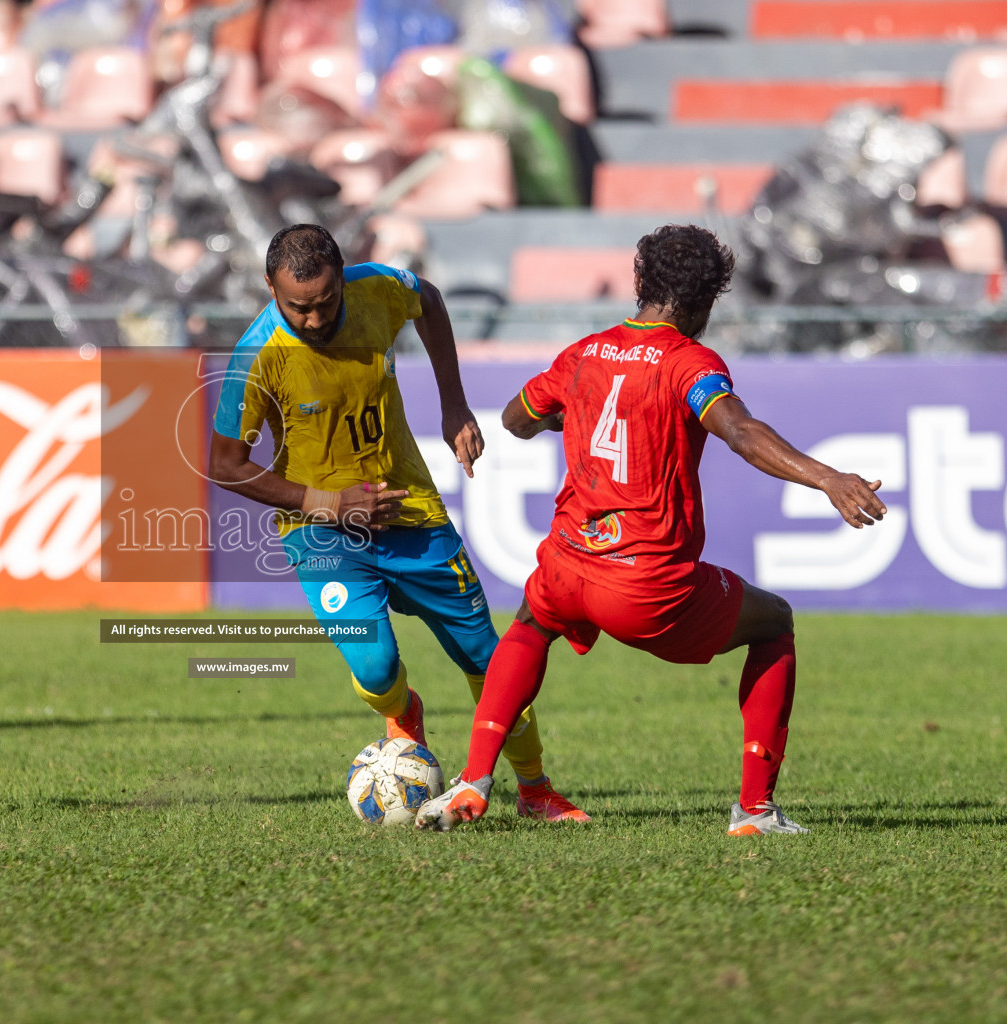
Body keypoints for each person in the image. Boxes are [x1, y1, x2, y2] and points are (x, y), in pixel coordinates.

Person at [416, 224, 888, 836]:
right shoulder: (688, 361)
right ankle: (754, 811)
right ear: (705, 301)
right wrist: (827, 478)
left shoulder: (585, 352)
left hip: (568, 560)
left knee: (533, 625)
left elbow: (515, 419)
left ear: (641, 283)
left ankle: (475, 779)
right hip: (643, 583)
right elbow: (740, 431)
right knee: (773, 622)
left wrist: (572, 415)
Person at [208, 224, 588, 822]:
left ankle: (535, 789)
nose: (312, 319)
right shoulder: (256, 357)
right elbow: (225, 465)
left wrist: (453, 402)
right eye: (296, 307)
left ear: (342, 278)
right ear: (269, 288)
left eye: (325, 302)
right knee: (377, 667)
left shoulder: (377, 288)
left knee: (491, 663)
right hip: (324, 534)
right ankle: (404, 715)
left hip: (412, 511)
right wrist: (330, 505)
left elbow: (429, 300)